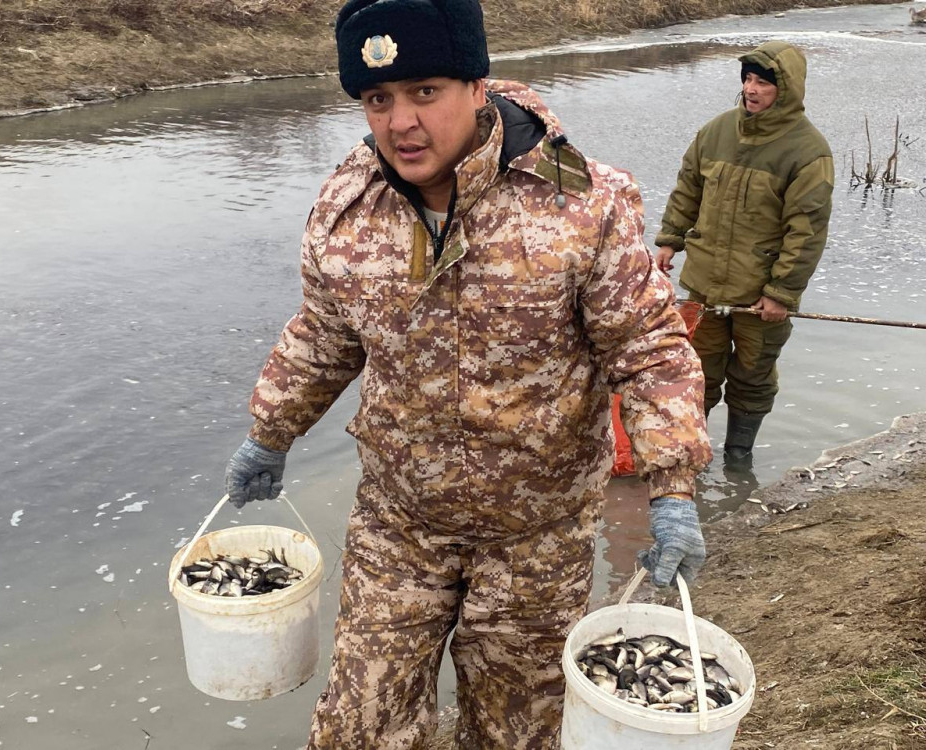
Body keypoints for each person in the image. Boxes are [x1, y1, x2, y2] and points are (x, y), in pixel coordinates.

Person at [224, 1, 711, 747]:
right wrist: (270, 434)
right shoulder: (347, 206)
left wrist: (672, 484)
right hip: (401, 522)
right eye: (378, 99)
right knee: (361, 727)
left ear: (477, 88)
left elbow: (647, 346)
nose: (400, 123)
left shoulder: (581, 200)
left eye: (425, 92)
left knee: (515, 733)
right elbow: (324, 336)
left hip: (536, 535)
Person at [654, 41, 834, 462]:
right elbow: (687, 189)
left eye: (763, 83)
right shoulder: (715, 131)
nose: (751, 90)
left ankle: (739, 459)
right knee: (695, 373)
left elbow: (806, 231)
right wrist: (669, 238)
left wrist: (781, 293)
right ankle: (689, 458)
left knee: (752, 377)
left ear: (786, 90)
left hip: (759, 296)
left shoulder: (809, 152)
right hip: (703, 287)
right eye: (748, 80)